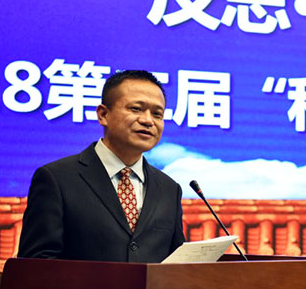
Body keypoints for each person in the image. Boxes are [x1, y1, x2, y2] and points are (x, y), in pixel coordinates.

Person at [18, 70, 185, 262]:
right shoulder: (57, 179)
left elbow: (176, 263)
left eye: (157, 114)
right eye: (136, 109)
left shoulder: (169, 189)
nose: (148, 120)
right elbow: (37, 263)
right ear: (103, 114)